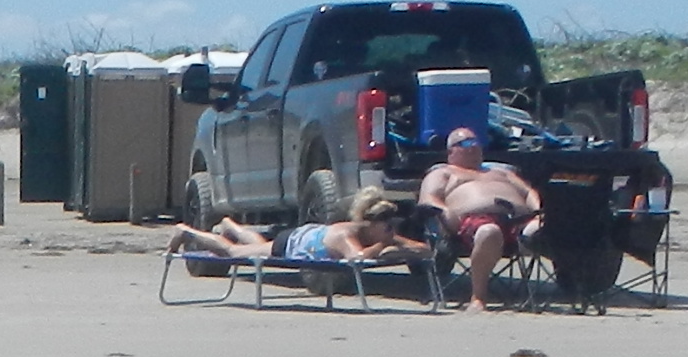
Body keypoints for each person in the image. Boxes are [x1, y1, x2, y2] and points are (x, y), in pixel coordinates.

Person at [419, 127, 541, 313]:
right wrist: (445, 212)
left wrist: (538, 212)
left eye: (476, 142)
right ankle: (478, 297)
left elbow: (528, 192)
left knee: (548, 228)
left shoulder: (501, 172)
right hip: (475, 222)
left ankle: (581, 289)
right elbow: (428, 198)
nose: (474, 146)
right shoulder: (444, 173)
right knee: (489, 232)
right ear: (451, 151)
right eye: (466, 143)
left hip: (518, 221)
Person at [176, 189, 422, 270]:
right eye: (388, 226)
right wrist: (385, 246)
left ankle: (232, 225)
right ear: (371, 224)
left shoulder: (376, 232)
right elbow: (356, 260)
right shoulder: (346, 236)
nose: (392, 230)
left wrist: (409, 246)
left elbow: (422, 248)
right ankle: (187, 232)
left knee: (258, 244)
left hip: (307, 234)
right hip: (292, 243)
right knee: (233, 253)